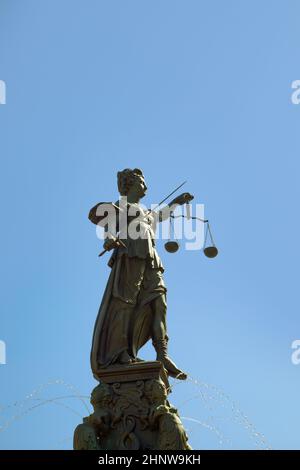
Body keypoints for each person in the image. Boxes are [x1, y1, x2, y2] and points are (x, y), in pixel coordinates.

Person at [89, 168, 193, 380]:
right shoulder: (121, 206)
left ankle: (162, 354)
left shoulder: (143, 210)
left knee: (159, 303)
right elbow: (104, 221)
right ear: (130, 185)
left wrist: (177, 202)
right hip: (131, 255)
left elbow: (160, 215)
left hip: (150, 257)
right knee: (126, 303)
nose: (146, 186)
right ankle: (120, 353)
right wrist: (109, 238)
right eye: (142, 182)